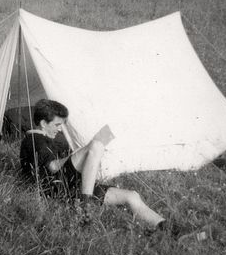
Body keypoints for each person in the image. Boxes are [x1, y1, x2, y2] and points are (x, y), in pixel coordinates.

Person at [20, 99, 209, 240]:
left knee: (132, 195)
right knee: (96, 143)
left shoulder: (52, 140)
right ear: (43, 123)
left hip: (71, 186)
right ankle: (84, 209)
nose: (60, 130)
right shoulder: (34, 139)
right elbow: (52, 166)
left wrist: (79, 157)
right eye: (57, 125)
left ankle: (171, 231)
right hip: (55, 188)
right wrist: (79, 154)